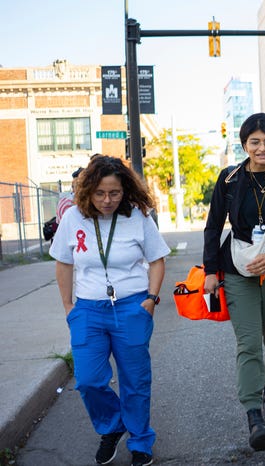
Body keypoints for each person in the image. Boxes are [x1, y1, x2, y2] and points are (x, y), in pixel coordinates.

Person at [49, 155, 170, 466]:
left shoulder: (138, 216)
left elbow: (157, 260)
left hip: (132, 306)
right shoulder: (74, 218)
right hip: (88, 310)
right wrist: (68, 306)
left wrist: (151, 300)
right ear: (88, 190)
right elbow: (64, 263)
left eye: (114, 193)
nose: (107, 200)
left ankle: (141, 440)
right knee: (88, 379)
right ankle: (112, 426)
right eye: (100, 193)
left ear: (124, 190)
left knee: (135, 379)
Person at [203, 112, 265, 451]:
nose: (262, 148)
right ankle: (254, 415)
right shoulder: (230, 179)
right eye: (255, 142)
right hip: (237, 268)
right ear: (244, 144)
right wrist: (209, 272)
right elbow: (214, 226)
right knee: (248, 343)